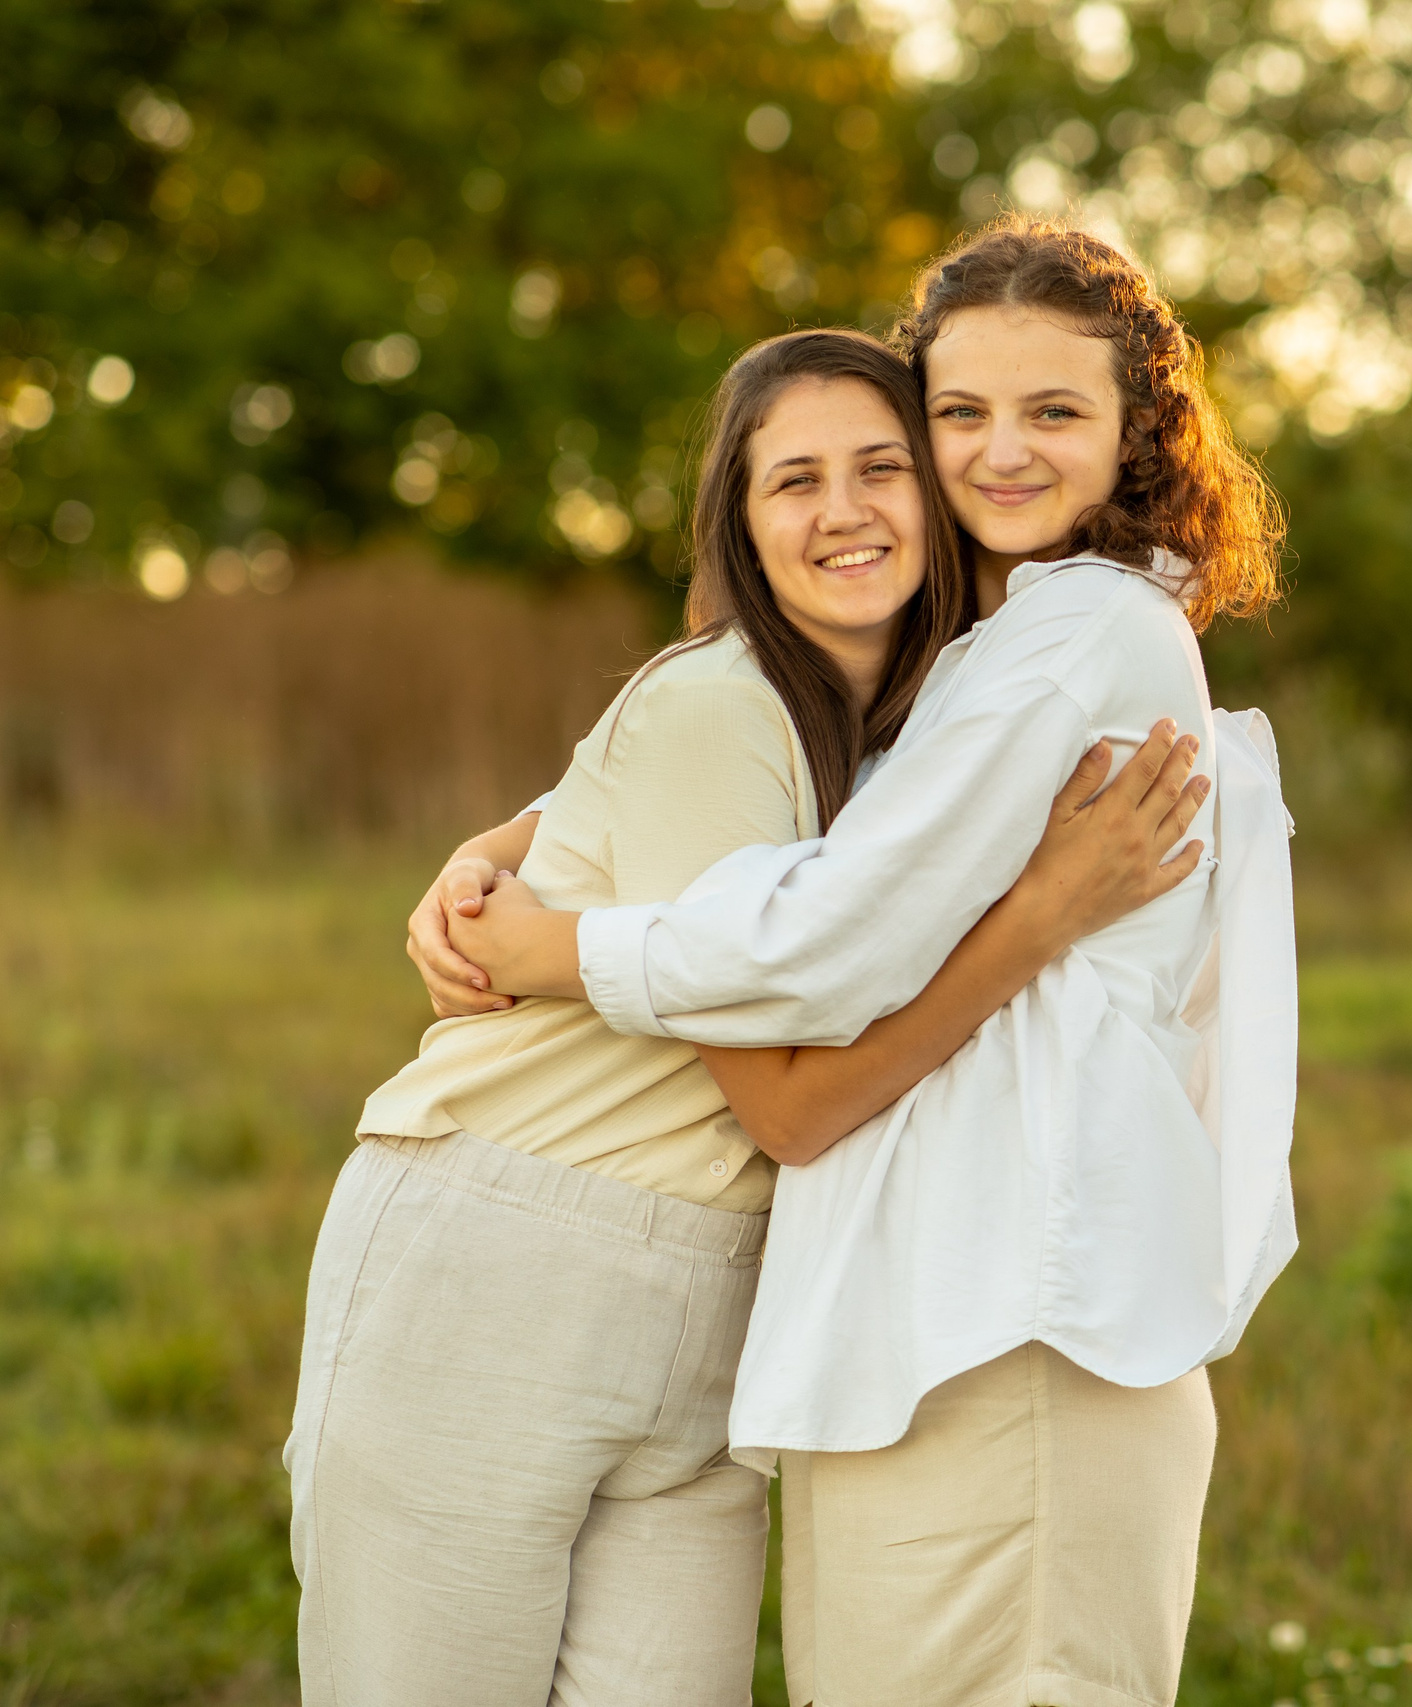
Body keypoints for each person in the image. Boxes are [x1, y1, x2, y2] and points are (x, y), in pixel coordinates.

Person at [290, 327, 1208, 1707]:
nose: (843, 511)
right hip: (506, 1254)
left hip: (721, 1305)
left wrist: (505, 840)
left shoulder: (922, 732)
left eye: (883, 466)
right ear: (741, 520)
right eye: (794, 482)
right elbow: (788, 1102)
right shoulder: (723, 710)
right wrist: (1037, 919)